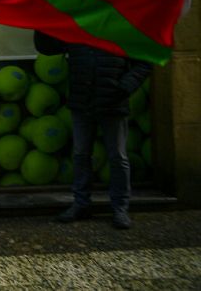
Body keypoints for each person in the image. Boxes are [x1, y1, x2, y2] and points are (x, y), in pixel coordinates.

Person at [34, 30, 153, 230]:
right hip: (82, 102)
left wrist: (123, 88)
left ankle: (120, 208)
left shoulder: (119, 28)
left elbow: (145, 61)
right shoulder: (78, 28)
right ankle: (81, 204)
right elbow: (47, 47)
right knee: (81, 154)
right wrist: (39, 23)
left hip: (112, 103)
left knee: (118, 157)